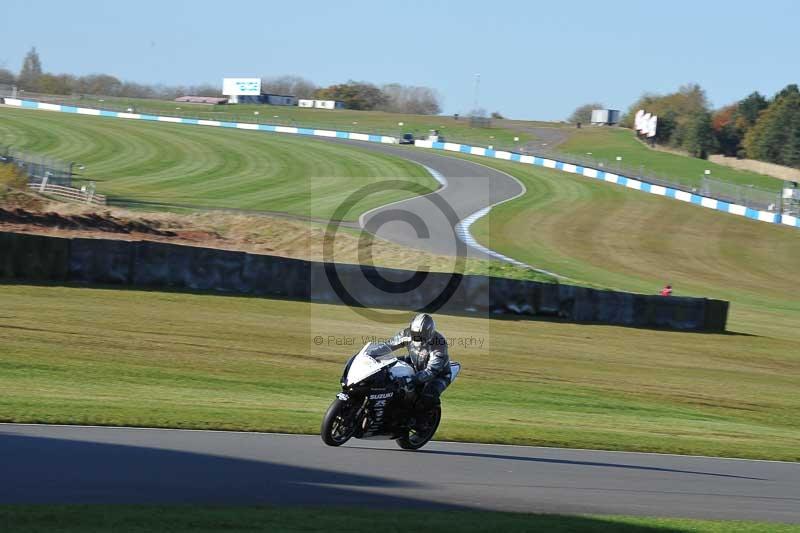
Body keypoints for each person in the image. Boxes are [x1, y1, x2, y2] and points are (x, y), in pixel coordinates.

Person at [387, 313, 450, 411]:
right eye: (414, 334)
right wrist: (372, 353)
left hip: (438, 375)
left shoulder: (439, 344)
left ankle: (421, 420)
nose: (416, 338)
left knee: (428, 395)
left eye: (420, 335)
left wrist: (410, 380)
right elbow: (388, 346)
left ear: (429, 333)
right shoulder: (407, 334)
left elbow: (431, 371)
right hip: (415, 363)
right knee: (387, 366)